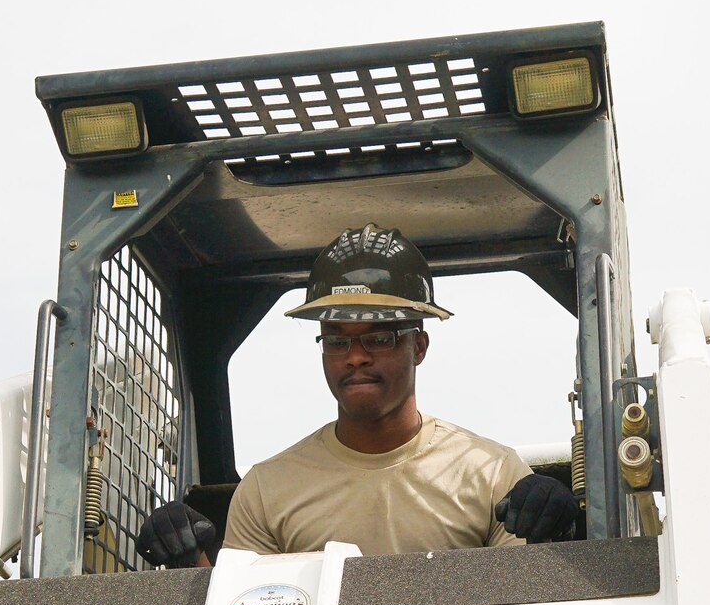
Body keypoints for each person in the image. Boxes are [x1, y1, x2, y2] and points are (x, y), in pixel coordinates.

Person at [136, 224, 577, 568]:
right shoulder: (268, 491)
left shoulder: (492, 474)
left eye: (379, 339)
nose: (356, 358)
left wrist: (552, 535)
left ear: (418, 347)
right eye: (337, 341)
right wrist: (188, 559)